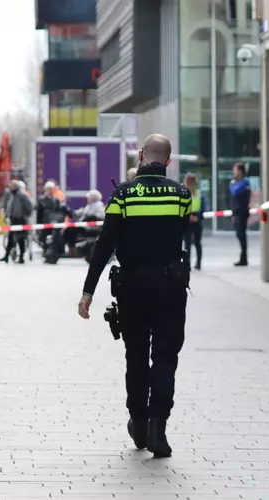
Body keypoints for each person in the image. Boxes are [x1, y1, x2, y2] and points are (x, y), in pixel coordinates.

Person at [78, 134, 192, 458]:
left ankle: (138, 423)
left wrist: (88, 292)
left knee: (137, 356)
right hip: (170, 288)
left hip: (132, 289)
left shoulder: (123, 195)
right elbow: (180, 233)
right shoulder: (183, 195)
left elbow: (104, 245)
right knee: (166, 359)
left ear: (141, 156)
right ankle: (159, 429)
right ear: (168, 162)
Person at [0, 180, 33, 264]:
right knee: (10, 239)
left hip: (21, 220)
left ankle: (21, 257)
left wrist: (24, 215)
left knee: (21, 239)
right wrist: (7, 215)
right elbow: (9, 206)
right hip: (13, 220)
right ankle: (6, 256)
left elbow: (29, 206)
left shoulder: (22, 195)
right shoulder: (12, 195)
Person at [182, 173, 206, 270]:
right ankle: (188, 264)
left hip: (196, 219)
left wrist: (198, 217)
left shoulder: (199, 193)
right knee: (188, 243)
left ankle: (198, 263)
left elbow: (203, 207)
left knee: (196, 243)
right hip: (188, 219)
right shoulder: (183, 192)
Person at [229, 162, 251, 266]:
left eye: (235, 169)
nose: (234, 172)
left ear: (240, 171)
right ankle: (243, 257)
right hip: (237, 212)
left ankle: (244, 258)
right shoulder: (239, 182)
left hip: (242, 213)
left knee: (241, 234)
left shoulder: (244, 182)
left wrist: (232, 184)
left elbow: (235, 192)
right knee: (239, 234)